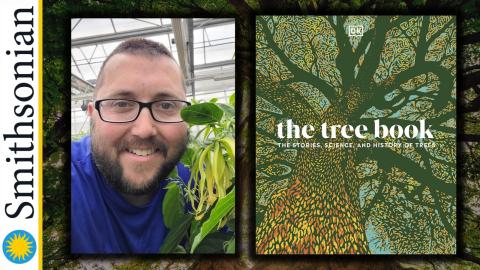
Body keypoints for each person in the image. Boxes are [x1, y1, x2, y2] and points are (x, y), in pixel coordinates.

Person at [71, 38, 191, 253]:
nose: (144, 129)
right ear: (92, 115)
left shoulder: (203, 184)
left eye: (166, 105)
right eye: (121, 104)